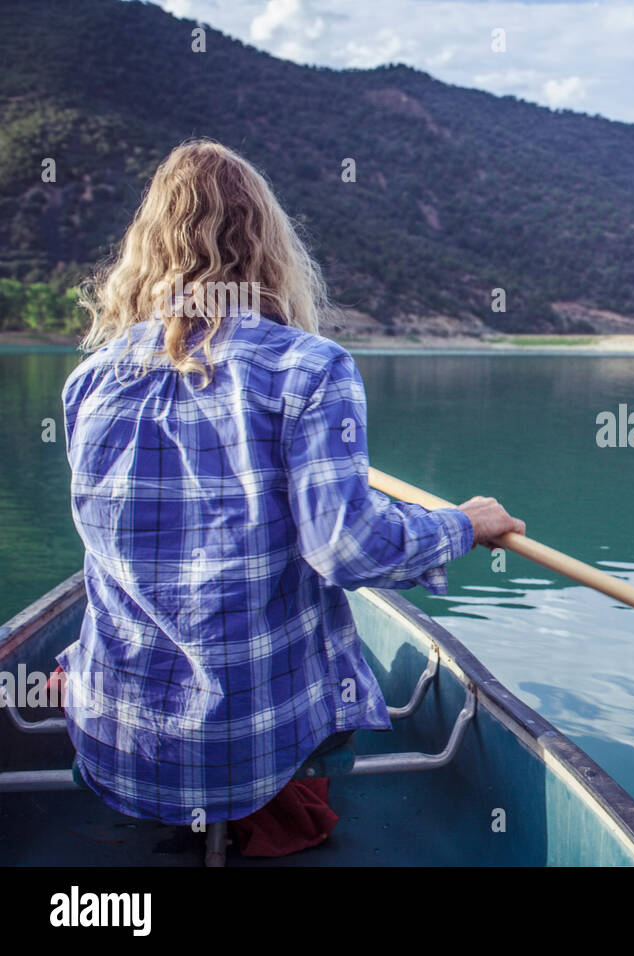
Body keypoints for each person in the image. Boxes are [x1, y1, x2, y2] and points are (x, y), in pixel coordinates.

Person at [57, 139, 524, 827]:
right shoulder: (310, 369)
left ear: (148, 246)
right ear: (266, 243)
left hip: (115, 743)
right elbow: (347, 550)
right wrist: (464, 524)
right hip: (244, 752)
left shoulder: (89, 380)